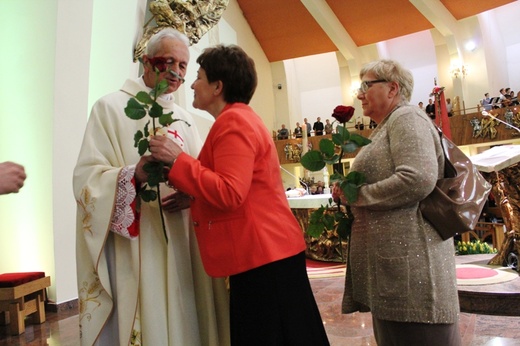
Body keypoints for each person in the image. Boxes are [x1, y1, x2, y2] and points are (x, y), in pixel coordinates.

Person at [149, 44, 330, 346]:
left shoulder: (234, 122)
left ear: (218, 86)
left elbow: (231, 192)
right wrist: (194, 197)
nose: (192, 83)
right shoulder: (240, 118)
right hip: (268, 254)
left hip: (262, 256)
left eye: (199, 76)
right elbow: (244, 190)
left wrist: (178, 159)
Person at [73, 28, 229, 346]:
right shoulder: (110, 108)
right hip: (138, 245)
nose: (175, 72)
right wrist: (133, 175)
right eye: (167, 61)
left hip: (183, 238)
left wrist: (192, 193)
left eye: (183, 66)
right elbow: (87, 179)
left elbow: (203, 175)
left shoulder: (186, 120)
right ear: (146, 62)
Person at [335, 59, 461, 346]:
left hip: (412, 274)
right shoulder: (387, 125)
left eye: (366, 85)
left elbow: (417, 178)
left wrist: (359, 196)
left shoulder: (407, 118)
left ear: (392, 88)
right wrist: (347, 191)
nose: (359, 94)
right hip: (396, 271)